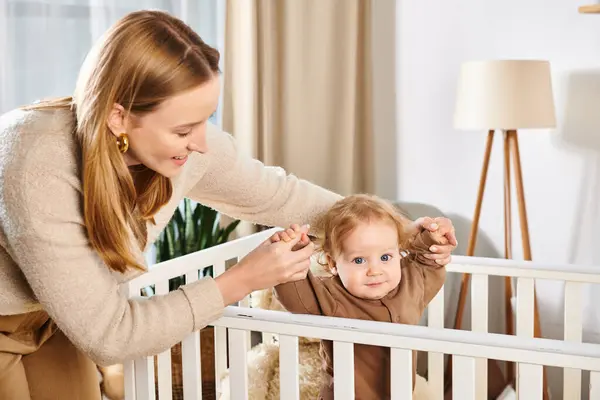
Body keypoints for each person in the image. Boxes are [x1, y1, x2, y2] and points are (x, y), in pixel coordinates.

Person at [0, 10, 457, 399]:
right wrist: (241, 279)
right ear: (119, 116)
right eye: (183, 130)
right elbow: (109, 334)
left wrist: (399, 232)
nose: (201, 144)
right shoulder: (35, 161)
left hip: (56, 316)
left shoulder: (190, 147)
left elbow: (281, 196)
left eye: (206, 120)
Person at [272, 194, 449, 400]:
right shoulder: (331, 295)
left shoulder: (411, 284)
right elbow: (296, 295)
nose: (375, 270)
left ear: (399, 252)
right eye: (358, 260)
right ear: (332, 263)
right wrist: (292, 254)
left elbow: (429, 263)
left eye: (385, 257)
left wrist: (432, 238)